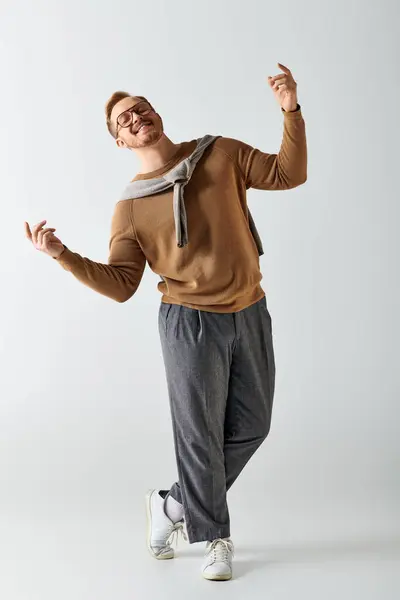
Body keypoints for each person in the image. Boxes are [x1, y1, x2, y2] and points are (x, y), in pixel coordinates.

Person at [25, 62, 307, 581]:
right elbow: (121, 285)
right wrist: (63, 255)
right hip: (189, 323)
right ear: (119, 141)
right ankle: (214, 536)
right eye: (122, 121)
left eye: (139, 109)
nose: (134, 119)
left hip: (250, 309)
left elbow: (288, 174)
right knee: (199, 436)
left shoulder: (219, 152)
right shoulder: (130, 209)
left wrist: (290, 110)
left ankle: (172, 505)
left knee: (253, 426)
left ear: (156, 114)